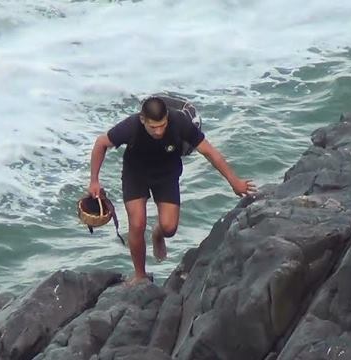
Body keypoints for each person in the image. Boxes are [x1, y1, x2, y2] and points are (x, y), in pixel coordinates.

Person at [88, 95, 257, 286]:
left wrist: (234, 182)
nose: (159, 131)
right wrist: (94, 180)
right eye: (153, 127)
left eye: (162, 125)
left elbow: (209, 151)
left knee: (169, 228)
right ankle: (140, 275)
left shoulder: (179, 122)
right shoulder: (131, 126)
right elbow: (101, 143)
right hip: (135, 174)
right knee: (137, 223)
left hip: (166, 175)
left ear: (167, 116)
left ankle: (158, 233)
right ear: (143, 120)